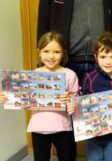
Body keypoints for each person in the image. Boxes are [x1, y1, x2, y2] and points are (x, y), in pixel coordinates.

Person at [0, 32, 79, 161]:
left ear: (63, 53)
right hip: (39, 129)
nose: (51, 56)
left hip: (64, 128)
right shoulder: (32, 75)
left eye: (56, 52)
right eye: (46, 51)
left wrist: (70, 101)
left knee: (67, 158)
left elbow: (76, 104)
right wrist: (7, 97)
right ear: (39, 52)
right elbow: (22, 99)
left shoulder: (70, 74)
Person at [79, 32, 112, 161]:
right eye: (103, 56)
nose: (108, 61)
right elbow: (82, 103)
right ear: (95, 57)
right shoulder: (89, 76)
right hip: (93, 134)